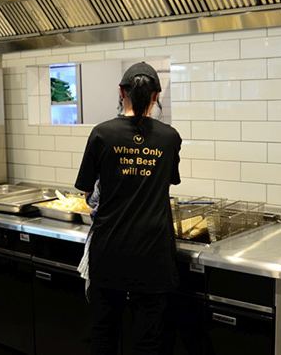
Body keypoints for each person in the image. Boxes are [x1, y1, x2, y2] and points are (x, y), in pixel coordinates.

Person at [75, 62, 183, 355]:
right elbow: (168, 181)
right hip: (152, 254)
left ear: (120, 92)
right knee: (148, 342)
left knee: (104, 337)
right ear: (156, 96)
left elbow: (88, 192)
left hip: (109, 250)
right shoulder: (169, 137)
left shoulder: (101, 133)